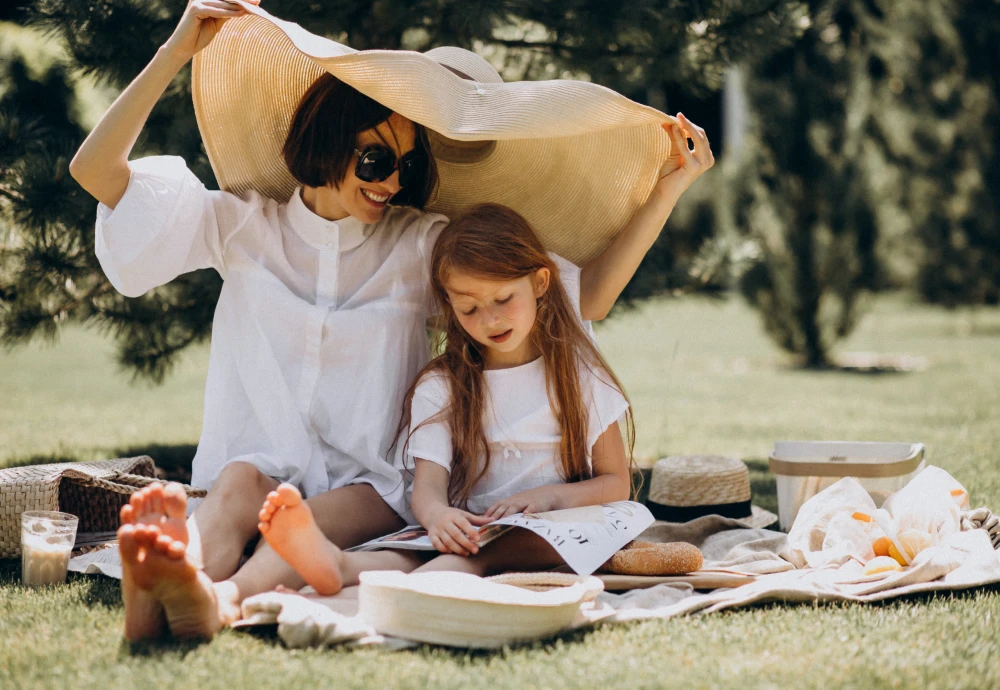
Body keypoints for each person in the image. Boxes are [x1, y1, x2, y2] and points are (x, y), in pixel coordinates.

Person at [71, 0, 714, 640]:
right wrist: (179, 49)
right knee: (238, 480)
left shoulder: (422, 246)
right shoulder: (241, 227)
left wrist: (669, 187)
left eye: (405, 169)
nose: (389, 184)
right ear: (327, 140)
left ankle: (206, 599)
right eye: (375, 161)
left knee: (289, 523)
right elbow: (95, 171)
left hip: (370, 485)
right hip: (259, 464)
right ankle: (178, 586)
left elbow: (584, 297)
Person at [253, 203, 634, 594]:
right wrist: (437, 517)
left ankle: (447, 572)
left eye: (503, 299)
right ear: (449, 304)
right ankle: (341, 563)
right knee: (428, 547)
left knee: (486, 549)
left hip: (556, 526)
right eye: (469, 308)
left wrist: (550, 497)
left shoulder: (578, 374)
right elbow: (428, 487)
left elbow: (615, 482)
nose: (490, 320)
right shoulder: (443, 385)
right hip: (473, 526)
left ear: (540, 283)